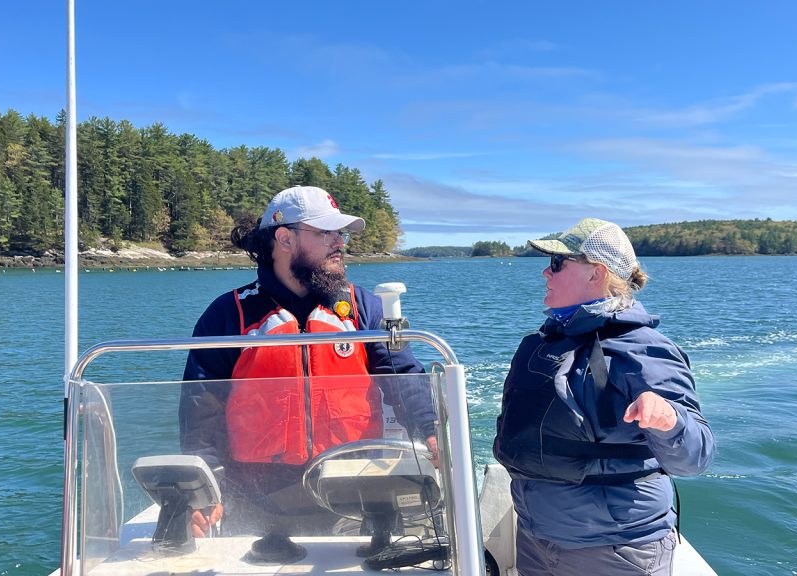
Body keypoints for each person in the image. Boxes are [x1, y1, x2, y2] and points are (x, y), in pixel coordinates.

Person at [179, 185, 438, 562]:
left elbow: (402, 374)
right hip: (260, 499)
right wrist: (201, 492)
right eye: (326, 233)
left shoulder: (363, 307)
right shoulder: (228, 315)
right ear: (284, 239)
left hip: (357, 488)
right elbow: (201, 410)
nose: (339, 243)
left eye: (341, 234)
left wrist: (431, 430)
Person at [493, 217, 715, 576]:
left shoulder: (643, 350)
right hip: (536, 536)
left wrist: (669, 419)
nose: (545, 274)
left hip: (614, 549)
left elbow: (697, 456)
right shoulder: (546, 344)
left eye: (557, 264)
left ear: (595, 273)